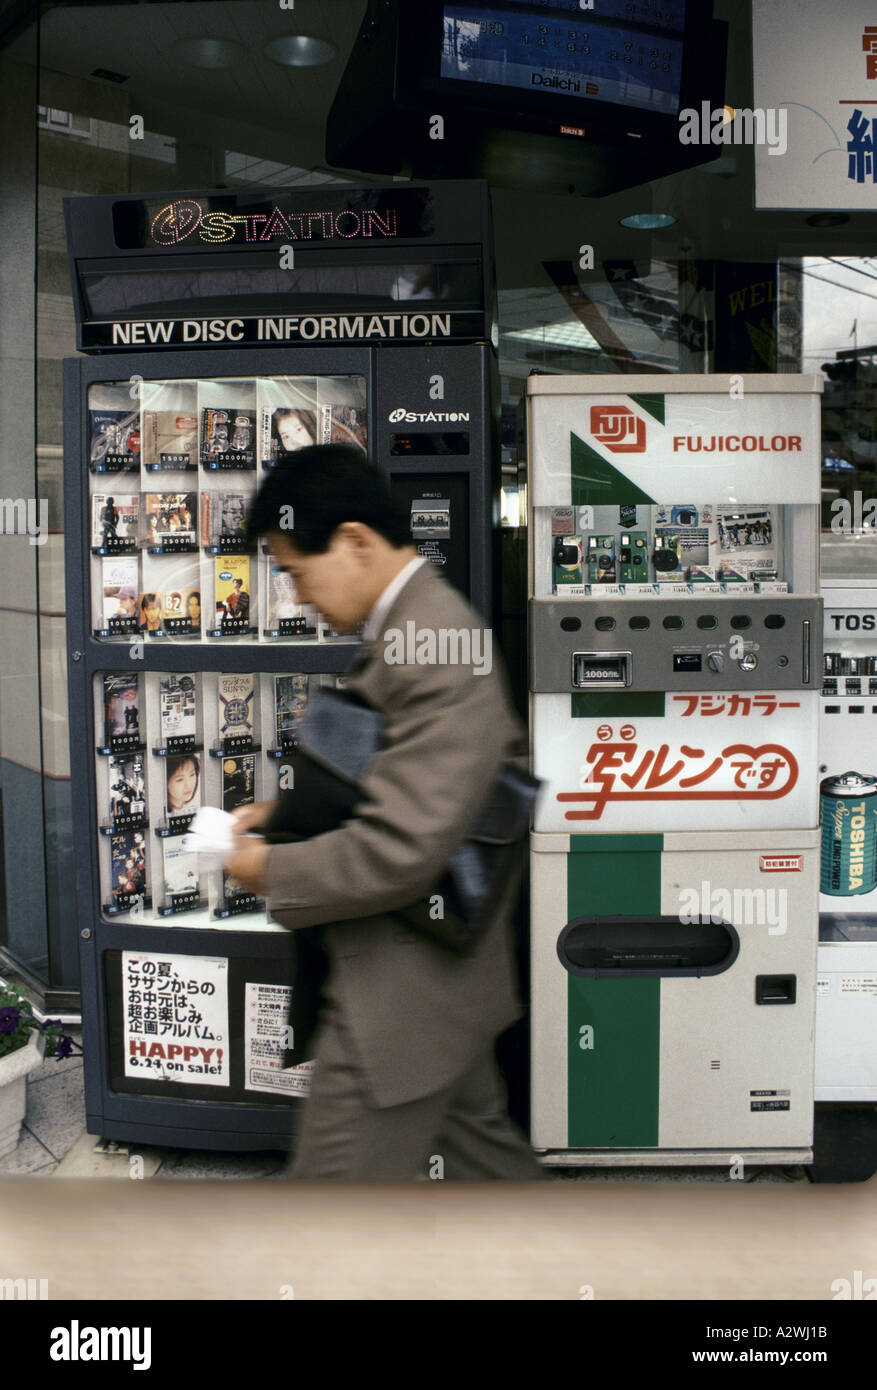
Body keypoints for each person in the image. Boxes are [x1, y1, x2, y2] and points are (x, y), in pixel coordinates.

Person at [226, 443, 546, 1182]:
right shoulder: (412, 627)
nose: (298, 595)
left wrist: (268, 867)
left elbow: (401, 846)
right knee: (491, 1178)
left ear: (355, 542)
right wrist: (278, 816)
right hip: (436, 987)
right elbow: (400, 781)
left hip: (398, 1009)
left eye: (296, 572)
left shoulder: (435, 645)